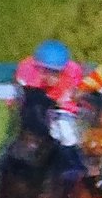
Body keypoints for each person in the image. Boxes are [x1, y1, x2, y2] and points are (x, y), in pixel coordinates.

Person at [13, 39, 86, 181]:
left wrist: (59, 103)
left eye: (55, 72)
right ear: (37, 67)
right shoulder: (26, 70)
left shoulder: (73, 72)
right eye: (46, 71)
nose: (50, 76)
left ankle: (74, 165)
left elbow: (69, 103)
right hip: (36, 106)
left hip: (61, 110)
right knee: (22, 130)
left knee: (66, 133)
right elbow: (28, 98)